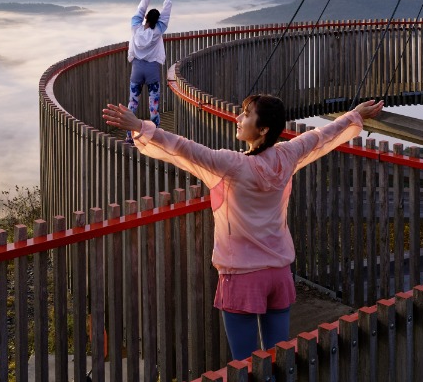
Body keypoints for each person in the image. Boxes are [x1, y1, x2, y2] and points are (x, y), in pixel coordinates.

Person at [102, 94, 384, 362]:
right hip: (279, 273)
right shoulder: (287, 156)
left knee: (245, 365)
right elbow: (322, 137)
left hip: (242, 277)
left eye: (246, 115)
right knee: (278, 359)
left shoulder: (232, 165)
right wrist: (355, 115)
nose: (238, 118)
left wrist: (139, 127)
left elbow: (183, 148)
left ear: (262, 130)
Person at [127, 0, 172, 131]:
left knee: (132, 104)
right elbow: (165, 16)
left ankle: (129, 136)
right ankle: (155, 136)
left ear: (145, 18)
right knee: (154, 108)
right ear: (157, 20)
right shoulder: (158, 31)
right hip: (152, 70)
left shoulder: (135, 28)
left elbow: (140, 10)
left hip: (137, 70)